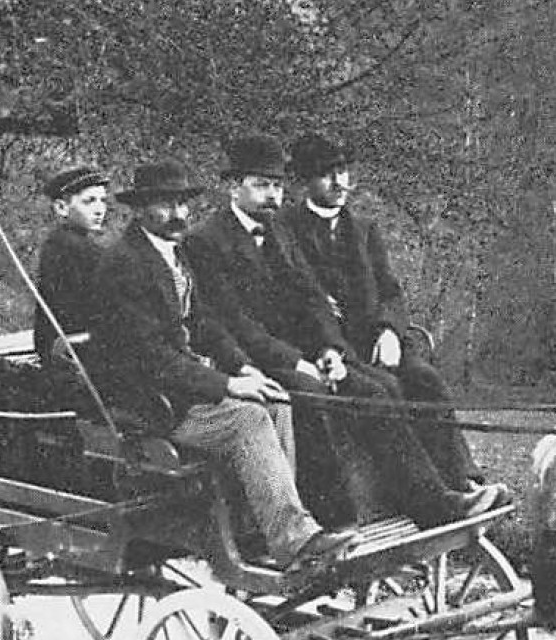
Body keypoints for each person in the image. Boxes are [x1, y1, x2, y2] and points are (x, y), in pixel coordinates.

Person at [186, 135, 505, 527]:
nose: (272, 195)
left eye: (276, 185)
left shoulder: (278, 231)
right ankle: (340, 516)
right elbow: (233, 321)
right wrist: (297, 362)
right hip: (253, 359)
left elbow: (310, 298)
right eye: (261, 185)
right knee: (323, 394)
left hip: (303, 351)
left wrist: (329, 350)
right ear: (233, 187)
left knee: (380, 387)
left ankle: (429, 498)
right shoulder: (205, 241)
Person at [86, 158, 355, 579]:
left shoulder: (172, 253)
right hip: (147, 405)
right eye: (164, 205)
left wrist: (244, 369)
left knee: (278, 399)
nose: (177, 214)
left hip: (181, 388)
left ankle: (273, 531)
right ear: (139, 210)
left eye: (181, 204)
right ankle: (291, 538)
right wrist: (227, 385)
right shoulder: (124, 265)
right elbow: (153, 358)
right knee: (247, 419)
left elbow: (203, 323)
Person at [280, 132, 495, 497]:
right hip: (328, 348)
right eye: (326, 174)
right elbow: (295, 299)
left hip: (376, 342)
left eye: (343, 172)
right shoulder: (285, 229)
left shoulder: (364, 229)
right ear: (304, 182)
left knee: (426, 380)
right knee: (387, 392)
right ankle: (414, 493)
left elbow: (391, 292)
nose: (339, 183)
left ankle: (462, 478)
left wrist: (390, 331)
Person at [32, 164, 110, 364]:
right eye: (89, 201)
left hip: (63, 340)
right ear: (61, 208)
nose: (99, 209)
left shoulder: (60, 241)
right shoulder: (72, 247)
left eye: (103, 200)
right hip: (67, 346)